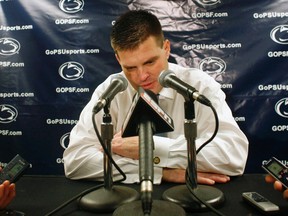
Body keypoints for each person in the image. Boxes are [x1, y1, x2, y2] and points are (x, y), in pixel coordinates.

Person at [63, 10, 249, 184]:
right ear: (119, 60)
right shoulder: (111, 89)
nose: (142, 76)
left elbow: (233, 156)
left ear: (166, 48)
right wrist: (162, 172)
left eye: (150, 62)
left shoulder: (198, 85)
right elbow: (76, 160)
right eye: (130, 68)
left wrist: (152, 148)